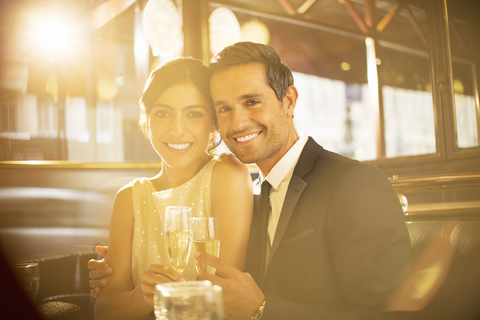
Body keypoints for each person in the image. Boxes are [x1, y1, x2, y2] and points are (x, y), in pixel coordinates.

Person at [90, 43, 412, 320]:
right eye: (225, 109)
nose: (238, 121)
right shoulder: (256, 195)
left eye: (252, 102)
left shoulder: (355, 185)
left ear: (288, 101)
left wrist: (262, 311)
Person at [93, 57, 253, 320]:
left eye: (194, 114)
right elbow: (103, 312)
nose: (177, 129)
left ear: (213, 123)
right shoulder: (129, 198)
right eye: (163, 113)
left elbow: (227, 298)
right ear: (147, 120)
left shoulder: (227, 174)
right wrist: (143, 296)